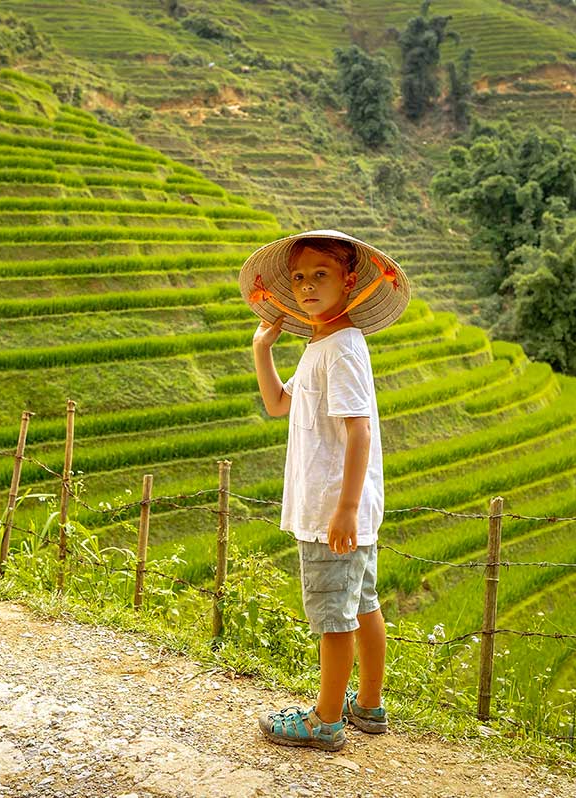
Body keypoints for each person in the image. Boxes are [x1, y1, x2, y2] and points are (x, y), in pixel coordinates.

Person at [239, 230, 410, 752]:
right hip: (339, 508)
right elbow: (278, 404)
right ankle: (369, 706)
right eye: (299, 277)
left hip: (332, 510)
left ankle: (326, 719)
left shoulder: (342, 347)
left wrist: (345, 509)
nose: (308, 286)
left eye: (321, 275)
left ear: (349, 281)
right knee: (361, 604)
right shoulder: (321, 344)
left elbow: (359, 429)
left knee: (334, 616)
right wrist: (261, 348)